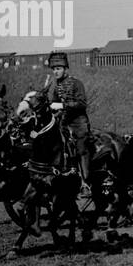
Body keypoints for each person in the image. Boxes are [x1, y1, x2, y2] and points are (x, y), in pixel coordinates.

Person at [44, 51, 92, 195]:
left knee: (81, 149)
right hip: (63, 123)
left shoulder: (77, 83)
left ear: (65, 69)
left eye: (58, 68)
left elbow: (82, 103)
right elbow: (54, 104)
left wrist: (63, 106)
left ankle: (85, 183)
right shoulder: (56, 86)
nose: (55, 71)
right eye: (54, 69)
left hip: (79, 123)